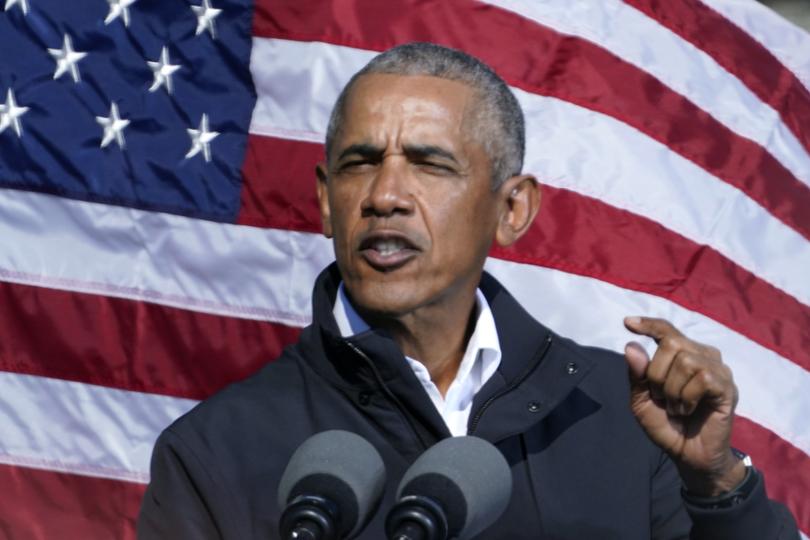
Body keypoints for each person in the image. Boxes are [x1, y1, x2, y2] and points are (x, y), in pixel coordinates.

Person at [137, 42, 799, 539]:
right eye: (360, 163)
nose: (385, 196)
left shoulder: (626, 417)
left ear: (513, 209)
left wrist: (716, 485)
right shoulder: (211, 452)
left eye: (429, 164)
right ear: (326, 203)